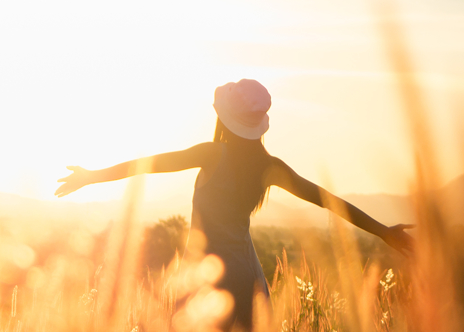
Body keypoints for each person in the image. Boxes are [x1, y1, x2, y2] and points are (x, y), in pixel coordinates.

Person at [53, 79, 414, 330]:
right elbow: (328, 201)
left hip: (208, 276)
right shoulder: (269, 167)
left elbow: (147, 164)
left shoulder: (212, 154)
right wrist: (383, 232)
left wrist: (91, 176)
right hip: (247, 275)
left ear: (224, 117)